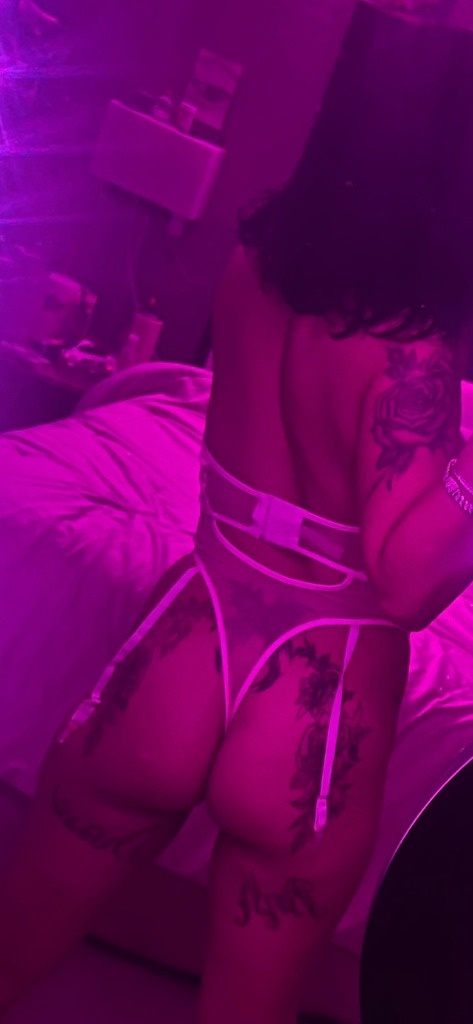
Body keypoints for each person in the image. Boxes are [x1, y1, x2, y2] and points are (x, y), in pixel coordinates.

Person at [2, 3, 473, 1022]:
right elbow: (405, 578)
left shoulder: (252, 263)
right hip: (314, 703)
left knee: (14, 935)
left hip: (185, 644)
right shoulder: (414, 356)